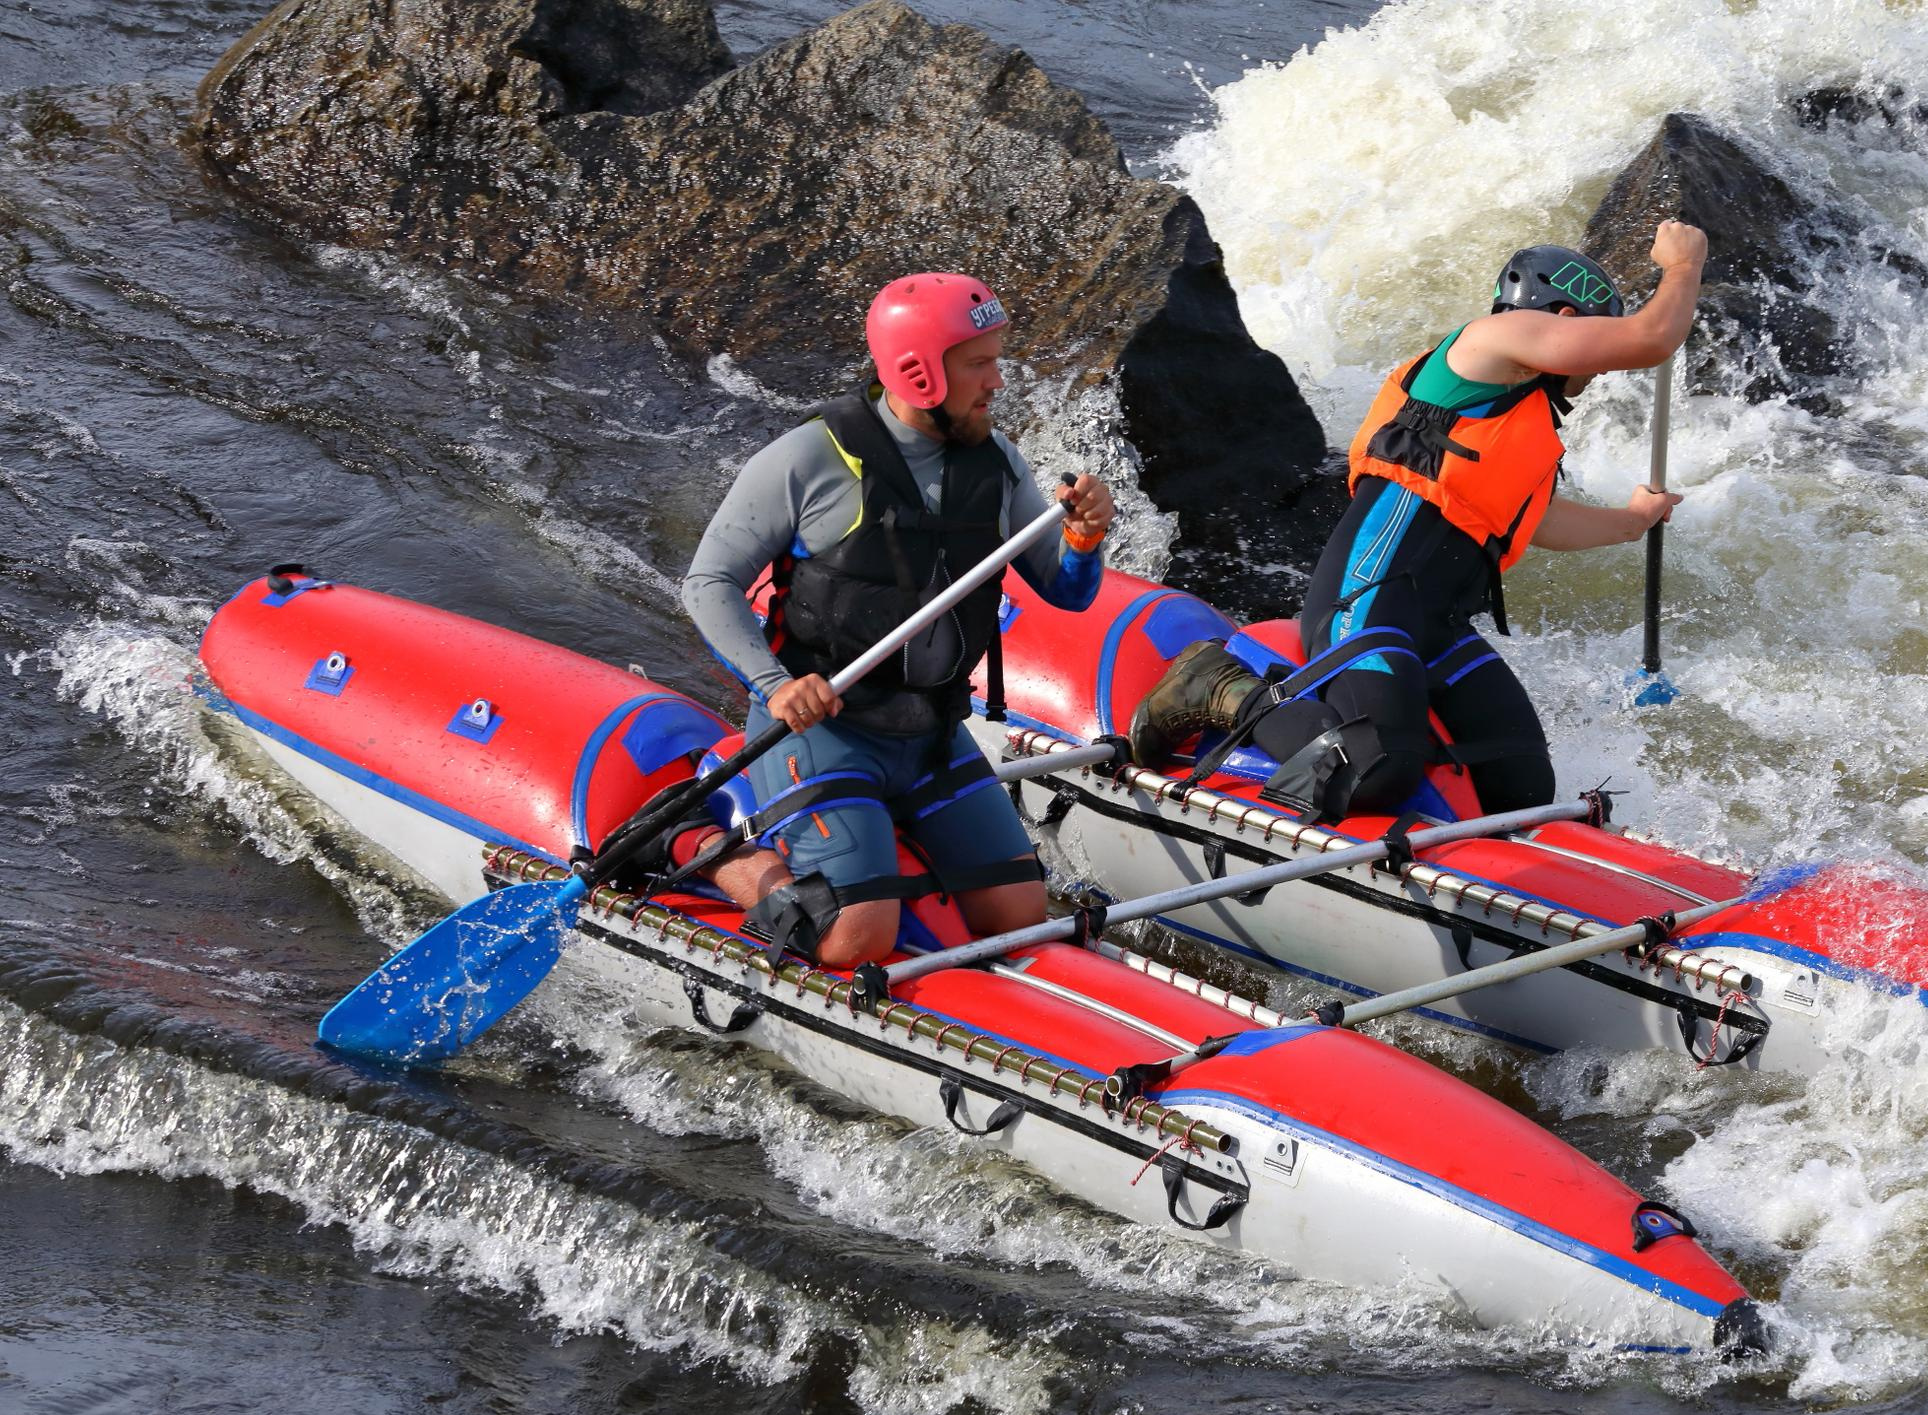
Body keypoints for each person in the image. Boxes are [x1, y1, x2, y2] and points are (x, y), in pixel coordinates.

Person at [1128, 220, 1709, 822]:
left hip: (1437, 625)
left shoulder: (1510, 410)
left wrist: (1631, 521)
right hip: (1366, 602)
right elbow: (1652, 338)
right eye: (1597, 332)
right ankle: (1217, 685)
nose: (1601, 368)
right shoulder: (1491, 342)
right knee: (1376, 767)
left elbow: (1536, 522)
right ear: (1562, 317)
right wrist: (1683, 265)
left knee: (1522, 782)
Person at [672, 272, 1114, 966]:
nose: (997, 380)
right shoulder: (809, 458)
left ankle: (879, 840)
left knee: (1018, 912)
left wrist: (1084, 540)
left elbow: (1067, 590)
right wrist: (775, 686)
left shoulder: (996, 464)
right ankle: (701, 841)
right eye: (979, 363)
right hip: (823, 732)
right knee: (853, 938)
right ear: (920, 373)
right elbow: (708, 583)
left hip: (931, 734)